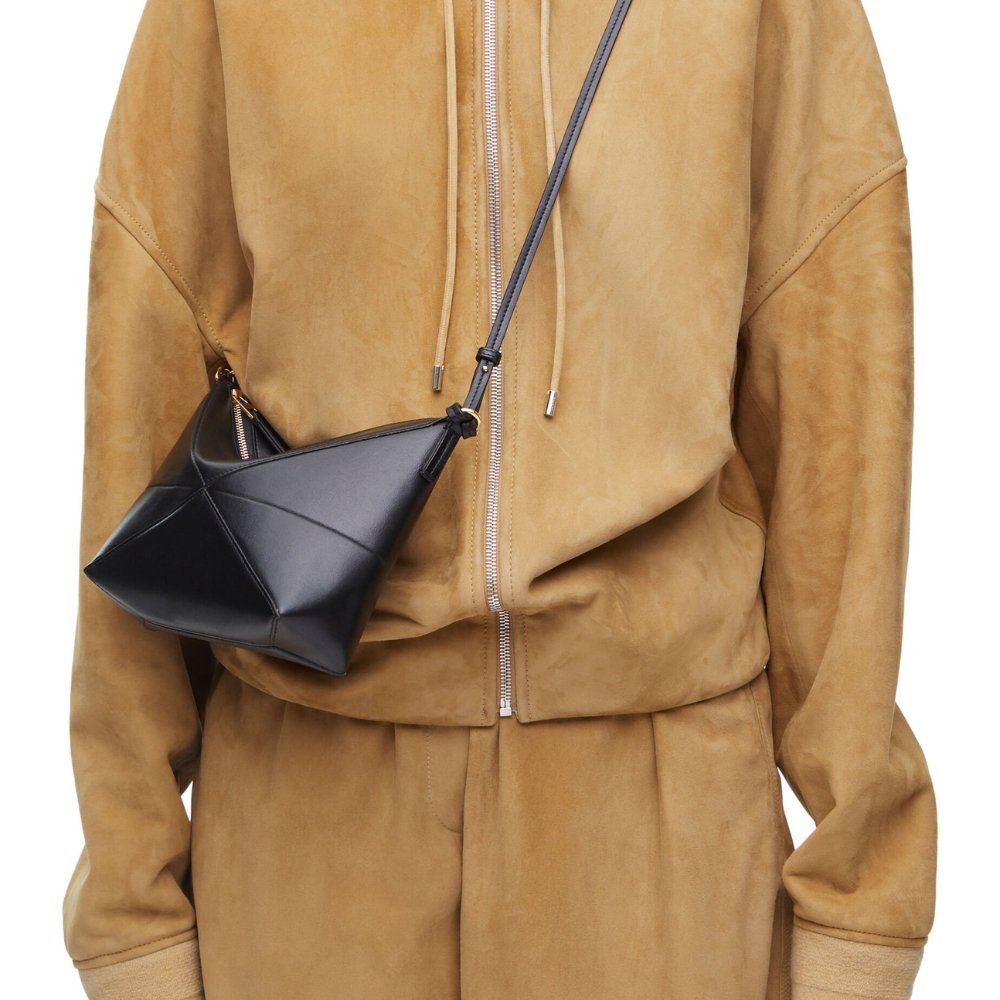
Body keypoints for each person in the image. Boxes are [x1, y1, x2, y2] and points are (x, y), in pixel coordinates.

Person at [62, 0, 938, 997]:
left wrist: (859, 904)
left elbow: (836, 408)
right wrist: (131, 904)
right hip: (309, 836)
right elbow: (144, 394)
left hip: (666, 840)